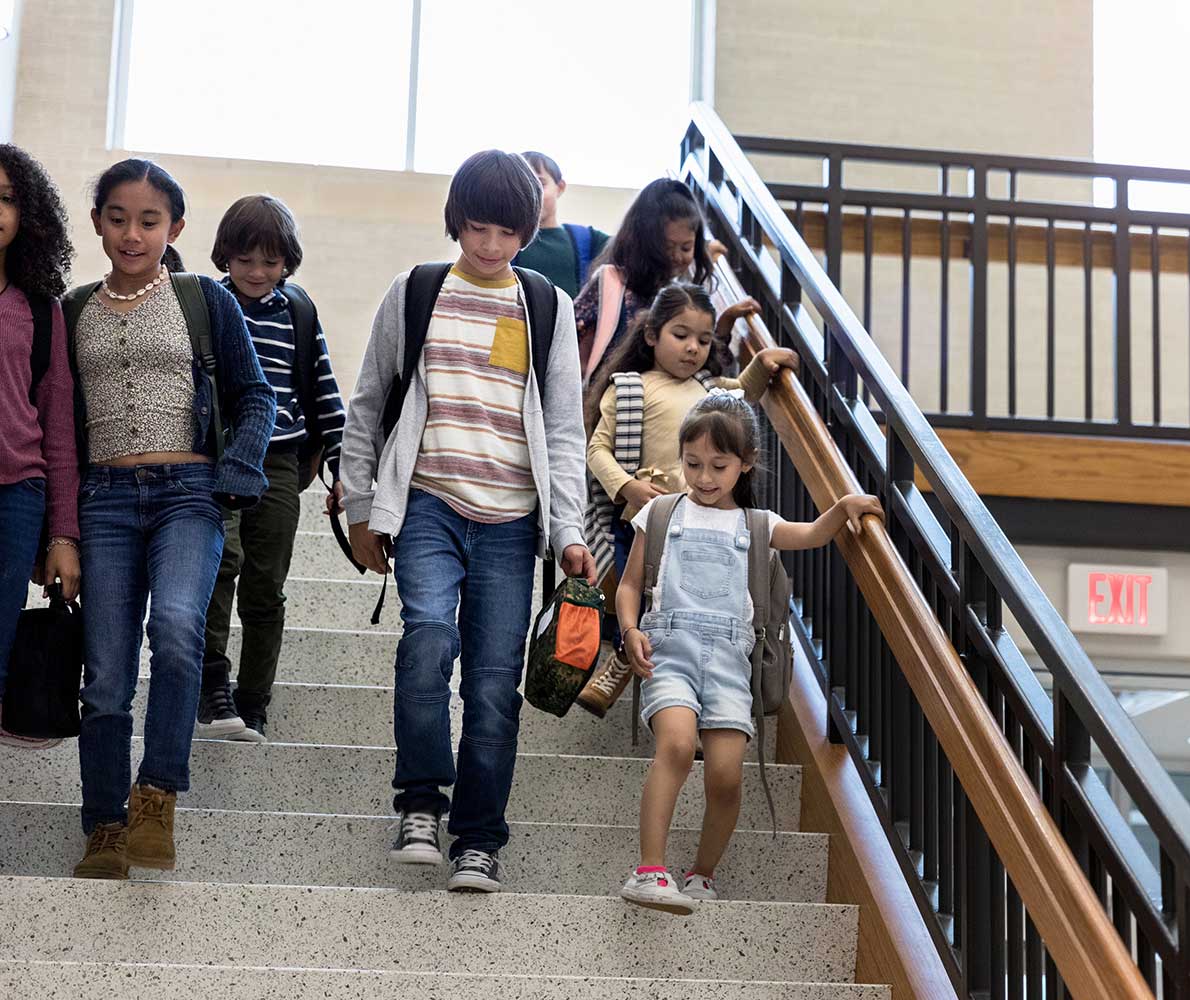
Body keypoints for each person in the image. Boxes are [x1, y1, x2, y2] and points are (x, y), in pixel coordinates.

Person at [339, 149, 594, 893]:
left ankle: (478, 838)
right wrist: (362, 508)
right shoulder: (416, 291)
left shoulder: (542, 304)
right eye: (477, 229)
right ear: (456, 223)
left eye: (506, 232)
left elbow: (567, 433)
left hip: (514, 523)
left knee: (490, 685)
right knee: (427, 639)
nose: (489, 246)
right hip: (428, 504)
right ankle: (420, 803)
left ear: (527, 230)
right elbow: (367, 404)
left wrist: (570, 531)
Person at [66, 159, 275, 880]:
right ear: (97, 222)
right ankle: (104, 825)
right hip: (104, 500)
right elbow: (61, 426)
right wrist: (57, 531)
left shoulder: (203, 299)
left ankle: (156, 792)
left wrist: (235, 473)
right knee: (105, 676)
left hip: (189, 492)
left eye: (149, 221)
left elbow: (256, 397)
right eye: (118, 218)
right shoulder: (73, 309)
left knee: (181, 630)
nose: (132, 233)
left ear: (174, 228)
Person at [612, 393, 881, 913]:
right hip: (669, 651)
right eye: (693, 464)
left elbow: (810, 535)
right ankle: (649, 869)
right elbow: (628, 586)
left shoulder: (758, 525)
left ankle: (702, 874)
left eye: (718, 466)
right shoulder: (661, 512)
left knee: (726, 775)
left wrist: (843, 508)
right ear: (681, 456)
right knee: (675, 744)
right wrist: (629, 630)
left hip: (733, 665)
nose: (704, 477)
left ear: (746, 463)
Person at [576, 283, 793, 716]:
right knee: (635, 591)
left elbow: (739, 396)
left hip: (696, 525)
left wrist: (763, 366)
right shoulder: (629, 387)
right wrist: (627, 487)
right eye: (681, 335)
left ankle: (681, 686)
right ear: (652, 335)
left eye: (704, 340)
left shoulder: (708, 391)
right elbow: (596, 449)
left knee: (682, 602)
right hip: (644, 521)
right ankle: (623, 656)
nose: (693, 348)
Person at [196, 194, 347, 742]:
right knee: (219, 566)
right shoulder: (206, 304)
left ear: (287, 261)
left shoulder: (298, 313)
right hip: (218, 459)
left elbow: (326, 396)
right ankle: (211, 686)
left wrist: (342, 468)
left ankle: (253, 699)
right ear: (225, 257)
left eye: (270, 261)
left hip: (280, 462)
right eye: (245, 260)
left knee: (266, 586)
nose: (257, 272)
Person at [0, 144, 79, 739]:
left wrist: (61, 535)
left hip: (16, 495)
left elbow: (57, 432)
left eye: (7, 199)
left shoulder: (40, 309)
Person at [575, 178, 751, 383]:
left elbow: (704, 364)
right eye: (667, 247)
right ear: (644, 241)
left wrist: (726, 321)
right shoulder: (609, 283)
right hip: (611, 406)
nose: (677, 256)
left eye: (686, 248)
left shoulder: (679, 295)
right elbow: (566, 338)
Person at [512, 151, 610, 298]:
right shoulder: (503, 239)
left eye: (540, 183)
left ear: (560, 187)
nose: (531, 194)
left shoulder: (589, 239)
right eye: (521, 185)